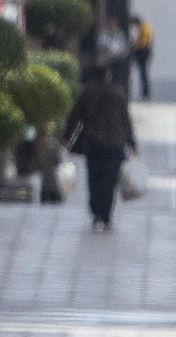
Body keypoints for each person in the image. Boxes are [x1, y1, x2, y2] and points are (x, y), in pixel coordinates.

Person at [65, 64, 137, 232]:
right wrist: (132, 143)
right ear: (108, 75)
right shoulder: (118, 93)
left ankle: (96, 213)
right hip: (115, 144)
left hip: (93, 143)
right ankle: (105, 215)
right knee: (110, 181)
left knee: (94, 179)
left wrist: (66, 138)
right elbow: (126, 120)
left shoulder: (87, 93)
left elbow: (74, 118)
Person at [98, 17, 133, 94]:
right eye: (110, 23)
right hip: (108, 59)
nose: (112, 25)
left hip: (119, 59)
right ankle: (108, 90)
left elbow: (124, 45)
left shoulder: (120, 33)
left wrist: (122, 53)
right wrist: (107, 49)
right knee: (108, 75)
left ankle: (118, 90)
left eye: (113, 23)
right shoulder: (105, 33)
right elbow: (100, 43)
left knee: (118, 75)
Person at [130, 15, 154, 100]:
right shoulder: (146, 27)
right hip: (143, 52)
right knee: (143, 74)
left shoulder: (144, 28)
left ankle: (145, 94)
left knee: (143, 74)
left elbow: (143, 42)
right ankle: (144, 93)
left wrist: (134, 44)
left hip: (142, 53)